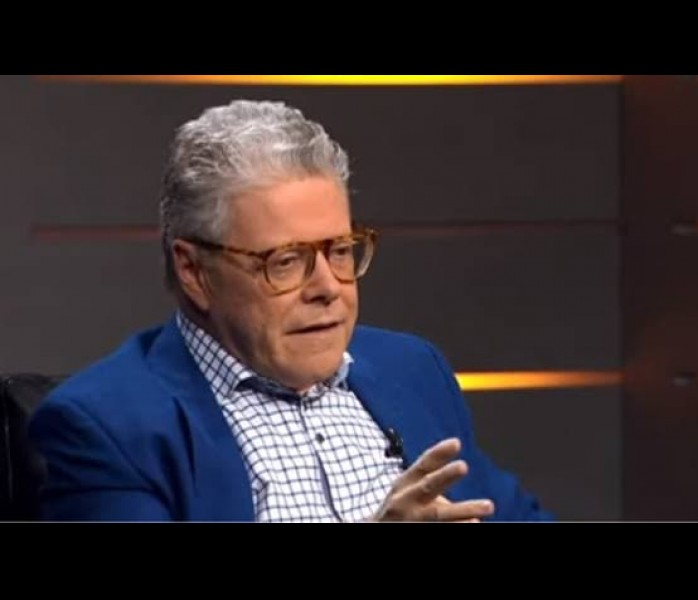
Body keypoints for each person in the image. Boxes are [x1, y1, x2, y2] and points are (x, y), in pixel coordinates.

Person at [29, 99, 552, 522]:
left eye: (340, 251)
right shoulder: (109, 427)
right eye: (286, 261)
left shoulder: (412, 370)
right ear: (193, 271)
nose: (328, 287)